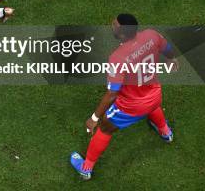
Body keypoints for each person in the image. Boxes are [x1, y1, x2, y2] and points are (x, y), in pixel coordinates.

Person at [70, 14, 178, 180]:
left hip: (132, 106)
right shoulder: (152, 35)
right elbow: (167, 48)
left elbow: (112, 93)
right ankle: (166, 133)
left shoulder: (118, 58)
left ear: (121, 33)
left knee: (105, 127)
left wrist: (94, 117)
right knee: (153, 106)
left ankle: (86, 168)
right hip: (154, 95)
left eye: (114, 25)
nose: (111, 25)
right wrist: (172, 59)